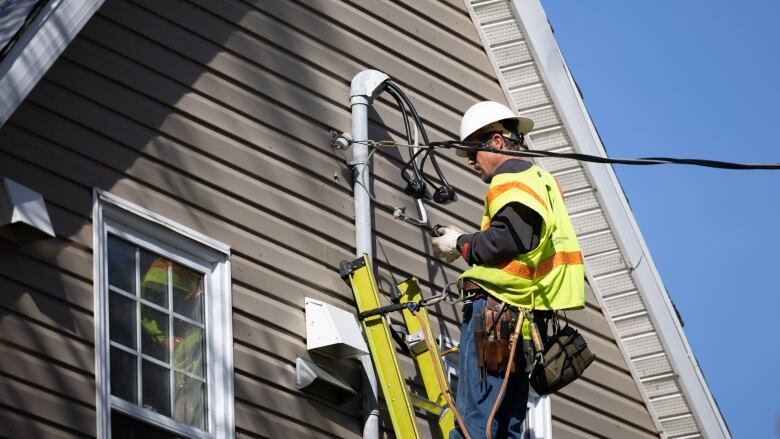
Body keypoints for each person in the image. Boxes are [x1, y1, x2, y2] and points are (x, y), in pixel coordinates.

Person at [431, 101, 585, 439]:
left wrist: (462, 243)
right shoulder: (541, 181)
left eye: (473, 152)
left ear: (496, 143)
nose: (471, 162)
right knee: (506, 426)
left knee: (476, 423)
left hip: (496, 316)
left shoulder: (512, 179)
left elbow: (505, 240)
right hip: (522, 319)